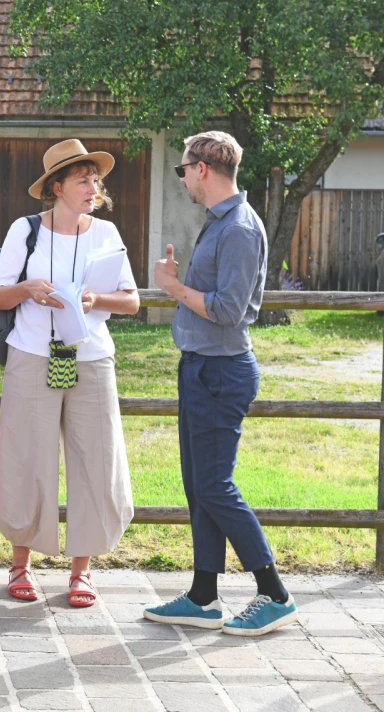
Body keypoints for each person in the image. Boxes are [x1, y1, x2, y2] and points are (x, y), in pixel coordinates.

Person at [144, 131, 298, 635]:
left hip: (220, 372)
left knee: (215, 485)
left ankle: (274, 593)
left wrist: (172, 288)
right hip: (199, 368)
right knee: (198, 487)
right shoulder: (219, 223)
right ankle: (204, 596)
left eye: (183, 169)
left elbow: (229, 311)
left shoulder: (239, 229)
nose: (183, 177)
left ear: (203, 169)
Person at [0, 140, 139, 607]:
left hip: (91, 359)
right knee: (26, 458)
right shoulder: (25, 230)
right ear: (57, 187)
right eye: (83, 180)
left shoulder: (107, 233)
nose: (93, 188)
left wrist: (97, 301)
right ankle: (20, 564)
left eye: (96, 180)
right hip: (32, 356)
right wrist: (27, 289)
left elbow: (131, 300)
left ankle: (82, 572)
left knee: (95, 461)